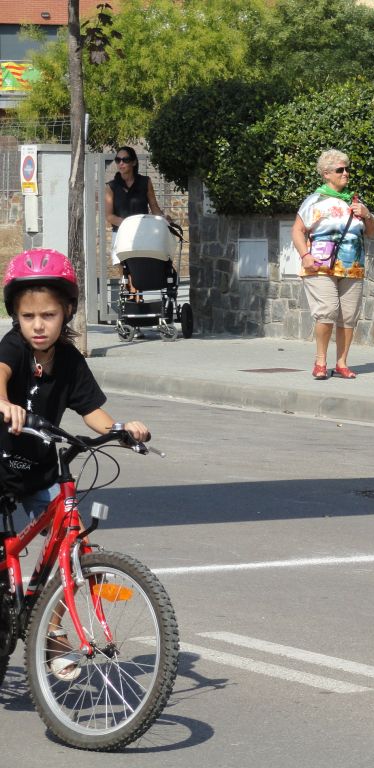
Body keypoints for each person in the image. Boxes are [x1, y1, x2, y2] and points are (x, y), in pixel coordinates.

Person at [0, 248, 151, 680]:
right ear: (16, 316)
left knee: (72, 546)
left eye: (48, 314)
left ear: (66, 312)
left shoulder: (69, 360)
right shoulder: (12, 348)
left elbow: (92, 412)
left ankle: (50, 633)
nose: (38, 325)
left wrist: (122, 428)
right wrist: (4, 404)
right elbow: (0, 374)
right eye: (28, 316)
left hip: (41, 469)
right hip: (0, 467)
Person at [291, 148, 374, 380]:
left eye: (347, 168)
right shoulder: (314, 201)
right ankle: (320, 361)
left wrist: (368, 215)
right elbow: (297, 231)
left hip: (352, 267)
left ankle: (342, 363)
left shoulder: (355, 201)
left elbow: (372, 233)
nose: (346, 173)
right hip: (320, 266)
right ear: (326, 174)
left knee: (349, 316)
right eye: (340, 170)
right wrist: (304, 256)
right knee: (327, 311)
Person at [105, 146, 170, 333]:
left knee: (143, 272)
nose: (121, 164)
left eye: (125, 160)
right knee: (128, 275)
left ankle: (142, 315)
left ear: (133, 162)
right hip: (123, 234)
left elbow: (154, 207)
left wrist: (164, 219)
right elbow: (109, 216)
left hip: (143, 235)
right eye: (118, 160)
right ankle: (134, 316)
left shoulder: (145, 182)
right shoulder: (111, 187)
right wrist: (128, 224)